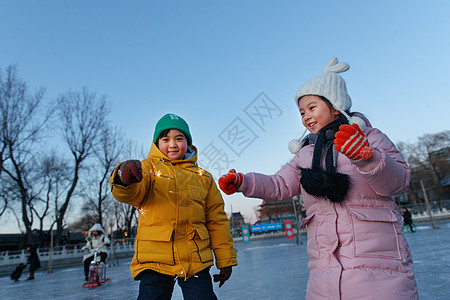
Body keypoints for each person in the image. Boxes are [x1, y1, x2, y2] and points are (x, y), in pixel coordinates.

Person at [218, 58, 418, 300]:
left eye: (312, 108)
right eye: (302, 112)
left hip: (379, 267)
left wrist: (368, 157)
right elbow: (280, 184)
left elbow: (399, 181)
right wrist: (244, 182)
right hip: (324, 275)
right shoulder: (306, 153)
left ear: (335, 106)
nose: (306, 116)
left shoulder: (370, 137)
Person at [110, 113, 237, 300]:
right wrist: (123, 177)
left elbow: (217, 221)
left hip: (195, 258)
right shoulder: (146, 170)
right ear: (156, 143)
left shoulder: (204, 177)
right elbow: (130, 194)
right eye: (165, 139)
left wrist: (225, 259)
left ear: (188, 142)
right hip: (154, 260)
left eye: (179, 138)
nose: (172, 144)